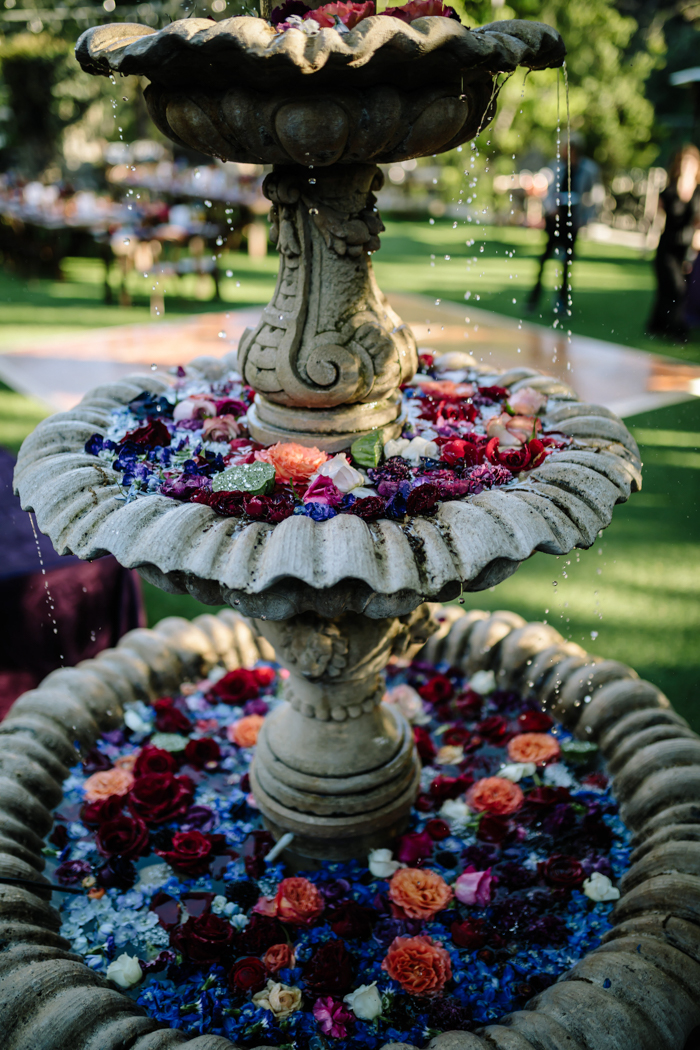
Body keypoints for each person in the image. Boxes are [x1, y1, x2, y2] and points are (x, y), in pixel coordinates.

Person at [526, 132, 602, 316]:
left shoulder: (588, 170)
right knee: (545, 259)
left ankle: (562, 301)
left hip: (572, 222)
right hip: (555, 222)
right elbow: (547, 192)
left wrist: (585, 219)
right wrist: (551, 209)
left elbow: (595, 197)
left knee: (566, 264)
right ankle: (534, 299)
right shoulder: (556, 167)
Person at [647, 144, 700, 341]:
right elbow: (658, 219)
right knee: (672, 287)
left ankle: (667, 326)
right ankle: (672, 329)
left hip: (687, 249)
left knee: (682, 289)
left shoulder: (698, 193)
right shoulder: (668, 191)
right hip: (668, 247)